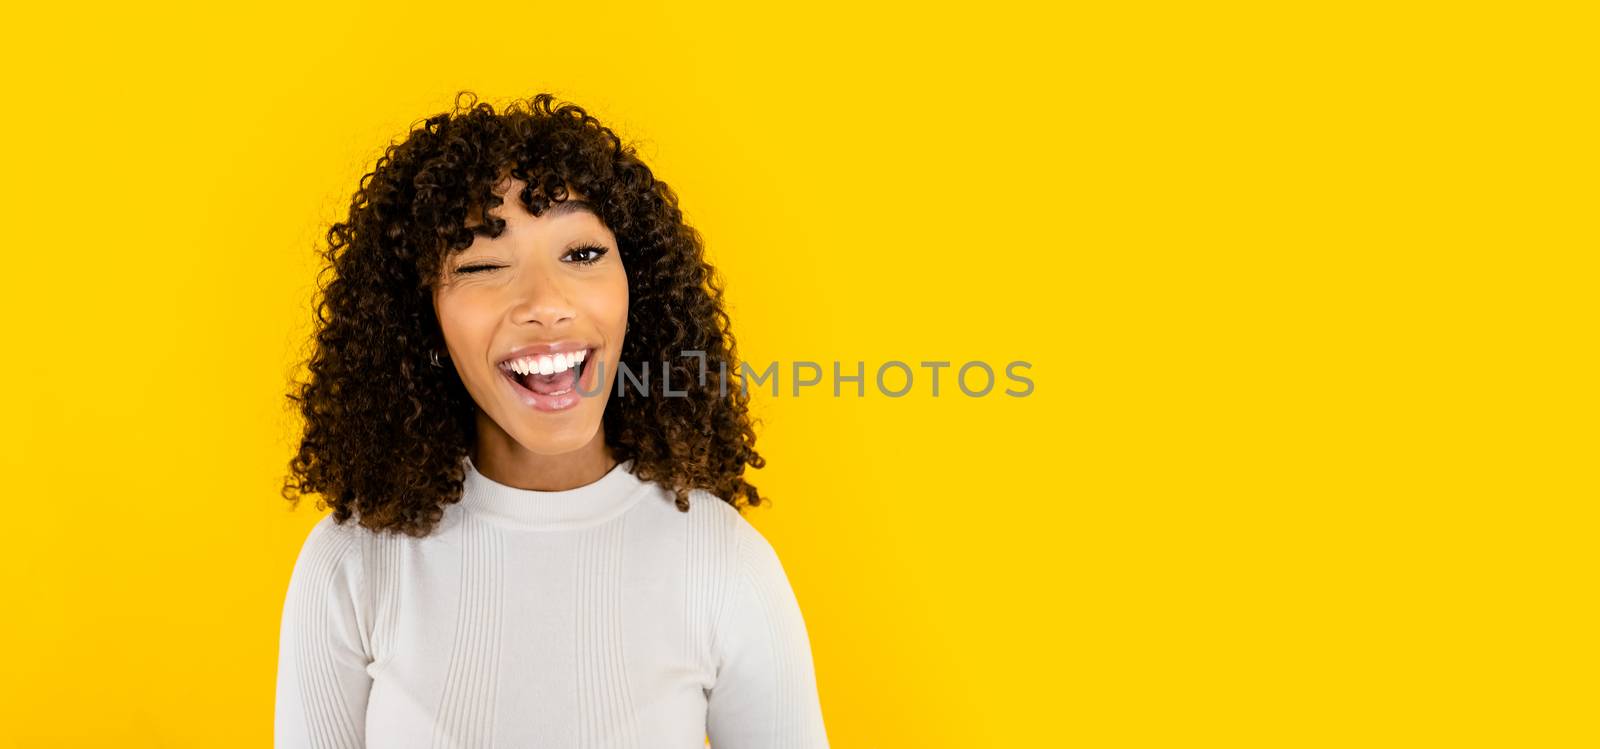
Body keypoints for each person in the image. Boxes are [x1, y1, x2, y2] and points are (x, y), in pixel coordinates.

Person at [274, 91, 829, 748]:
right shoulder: (353, 562)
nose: (545, 303)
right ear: (421, 317)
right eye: (482, 263)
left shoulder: (722, 560)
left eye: (583, 254)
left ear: (639, 289)